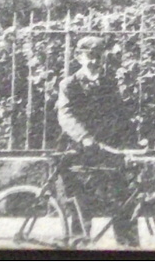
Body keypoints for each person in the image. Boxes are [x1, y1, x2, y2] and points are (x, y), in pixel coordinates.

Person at [57, 35, 138, 246]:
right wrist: (84, 137)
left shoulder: (109, 83)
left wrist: (132, 142)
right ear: (78, 57)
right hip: (78, 150)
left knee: (124, 196)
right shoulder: (69, 84)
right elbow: (65, 115)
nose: (94, 61)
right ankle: (79, 247)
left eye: (98, 57)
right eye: (89, 56)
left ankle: (128, 247)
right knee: (82, 203)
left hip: (105, 148)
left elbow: (120, 115)